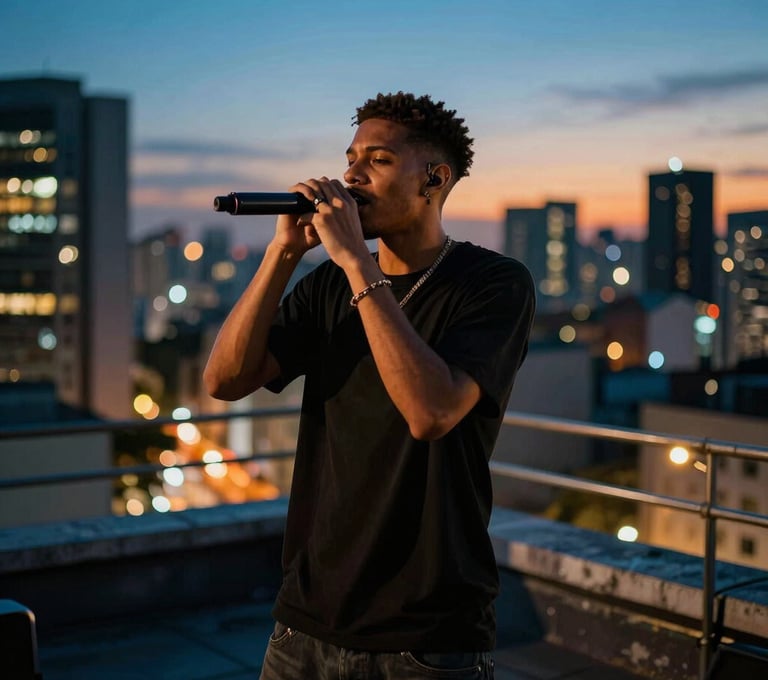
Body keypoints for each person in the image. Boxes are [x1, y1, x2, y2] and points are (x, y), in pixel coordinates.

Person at [203, 91, 536, 680]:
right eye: (351, 157)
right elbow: (224, 381)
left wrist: (359, 261)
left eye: (377, 160)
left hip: (426, 637)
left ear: (434, 179)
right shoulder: (325, 286)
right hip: (304, 621)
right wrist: (283, 252)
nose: (351, 174)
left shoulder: (493, 284)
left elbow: (430, 411)